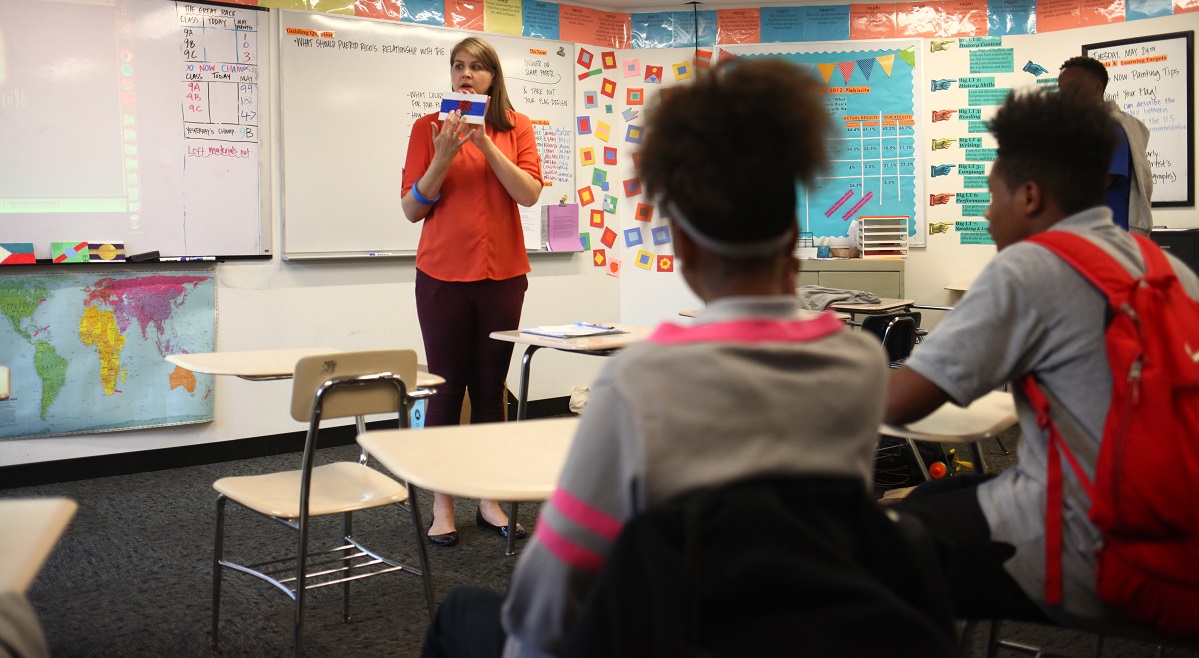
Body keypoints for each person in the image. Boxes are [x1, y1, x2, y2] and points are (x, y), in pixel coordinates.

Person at [420, 58, 956, 658]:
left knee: (462, 612)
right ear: (790, 239)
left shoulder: (639, 381)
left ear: (679, 244)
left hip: (665, 629)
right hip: (794, 631)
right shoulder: (857, 367)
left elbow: (547, 603)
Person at [885, 88, 1199, 628]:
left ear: (1029, 197)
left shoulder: (1032, 267)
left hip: (1094, 547)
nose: (986, 215)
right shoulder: (1160, 264)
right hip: (1174, 528)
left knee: (877, 549)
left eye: (990, 196)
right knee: (935, 495)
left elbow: (900, 403)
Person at [401, 36, 544, 547]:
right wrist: (442, 156)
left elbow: (528, 194)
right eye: (458, 66)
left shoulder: (517, 127)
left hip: (502, 275)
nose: (466, 74)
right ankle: (442, 506)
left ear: (493, 76)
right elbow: (412, 208)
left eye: (477, 68)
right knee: (445, 389)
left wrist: (484, 143)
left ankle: (488, 498)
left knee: (491, 388)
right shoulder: (426, 129)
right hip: (441, 278)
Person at [1057, 56, 1154, 236]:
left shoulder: (1110, 128)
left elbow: (1090, 187)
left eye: (1072, 88)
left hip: (1112, 241)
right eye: (1061, 90)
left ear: (1097, 88)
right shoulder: (1083, 132)